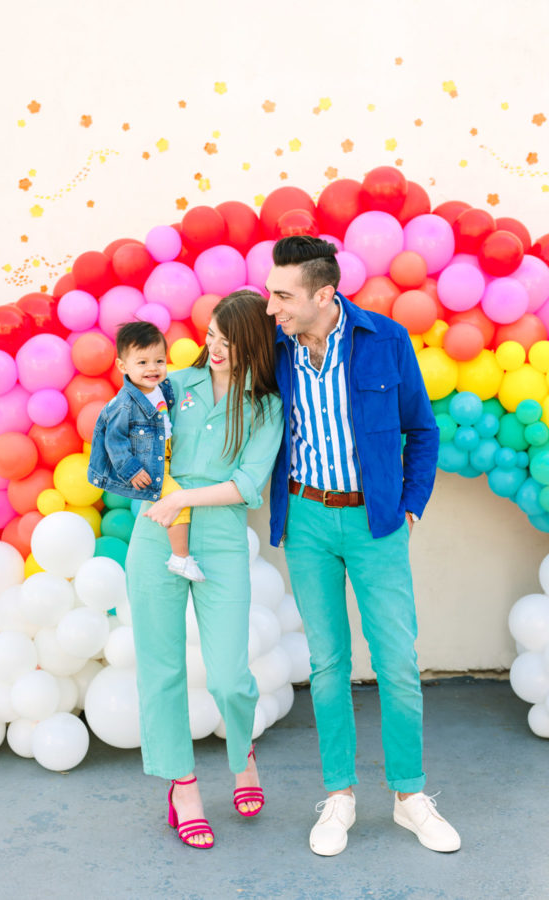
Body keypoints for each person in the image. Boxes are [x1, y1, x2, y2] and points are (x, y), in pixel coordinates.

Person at [266, 235, 461, 856]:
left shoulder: (385, 341)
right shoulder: (270, 348)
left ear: (325, 294)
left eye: (283, 295)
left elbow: (421, 430)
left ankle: (409, 798)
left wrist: (408, 505)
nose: (273, 307)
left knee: (396, 662)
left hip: (375, 523)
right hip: (306, 520)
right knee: (326, 666)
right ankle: (340, 797)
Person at [125, 291, 284, 849]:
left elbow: (247, 484)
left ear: (254, 345)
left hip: (218, 537)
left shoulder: (266, 406)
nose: (214, 348)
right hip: (154, 532)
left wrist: (186, 499)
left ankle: (242, 755)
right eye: (212, 335)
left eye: (228, 340)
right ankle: (183, 787)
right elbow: (129, 439)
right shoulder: (170, 387)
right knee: (162, 668)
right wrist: (160, 492)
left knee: (226, 675)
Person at [88, 321, 205, 581]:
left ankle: (179, 553)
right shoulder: (124, 404)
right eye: (142, 363)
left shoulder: (160, 388)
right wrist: (131, 469)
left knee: (179, 497)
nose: (152, 368)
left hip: (166, 456)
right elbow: (113, 440)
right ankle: (180, 558)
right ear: (123, 366)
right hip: (149, 467)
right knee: (178, 500)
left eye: (159, 361)